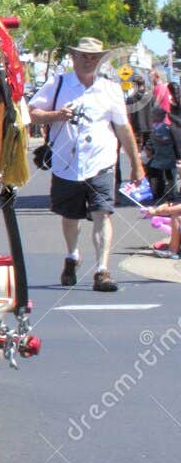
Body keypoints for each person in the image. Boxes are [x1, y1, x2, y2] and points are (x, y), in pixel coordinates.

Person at [28, 38, 146, 292]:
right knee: (70, 217)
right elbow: (33, 113)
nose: (88, 61)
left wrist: (136, 165)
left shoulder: (110, 89)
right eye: (83, 56)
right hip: (66, 164)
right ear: (74, 57)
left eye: (94, 57)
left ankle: (102, 270)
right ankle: (72, 256)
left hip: (101, 162)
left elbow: (123, 129)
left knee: (102, 213)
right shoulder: (58, 83)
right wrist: (56, 115)